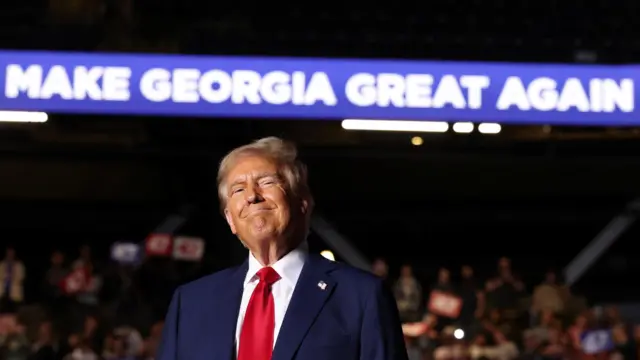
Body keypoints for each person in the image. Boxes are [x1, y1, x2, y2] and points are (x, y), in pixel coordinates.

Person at [157, 137, 407, 360]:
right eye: (238, 189)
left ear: (303, 203)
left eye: (266, 182)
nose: (252, 196)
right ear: (230, 219)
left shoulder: (361, 296)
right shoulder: (190, 303)